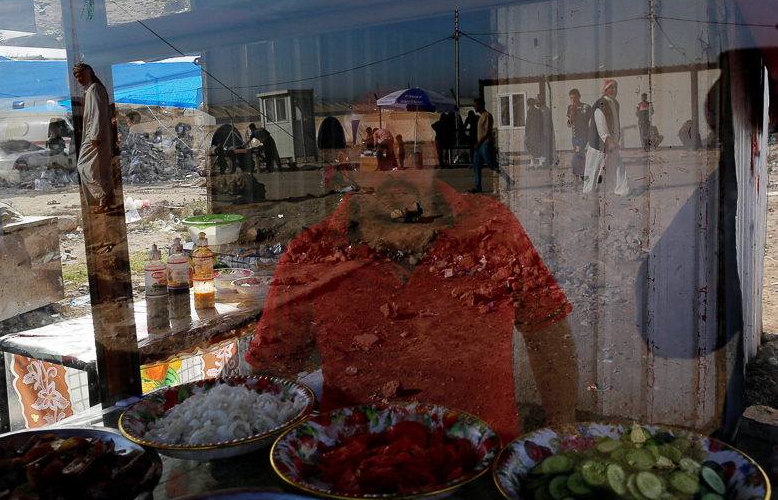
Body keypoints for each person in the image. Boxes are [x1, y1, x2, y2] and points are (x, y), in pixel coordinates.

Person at [246, 166, 577, 444]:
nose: (396, 170)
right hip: (352, 473)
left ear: (434, 156)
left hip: (485, 471)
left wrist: (562, 437)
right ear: (349, 163)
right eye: (377, 153)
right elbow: (271, 374)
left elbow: (547, 328)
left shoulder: (492, 226)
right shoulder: (312, 250)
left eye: (413, 150)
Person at [72, 62, 115, 214]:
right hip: (93, 135)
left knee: (86, 167)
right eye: (76, 76)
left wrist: (95, 135)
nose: (79, 79)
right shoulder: (91, 89)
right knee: (98, 169)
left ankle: (105, 195)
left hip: (95, 136)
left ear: (89, 73)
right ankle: (105, 201)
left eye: (81, 75)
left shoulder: (95, 88)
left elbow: (98, 113)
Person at [583, 80, 630, 197]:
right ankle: (588, 191)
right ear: (606, 89)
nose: (614, 90)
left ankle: (623, 190)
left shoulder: (615, 103)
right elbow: (601, 124)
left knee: (617, 167)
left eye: (616, 88)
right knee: (592, 169)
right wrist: (608, 140)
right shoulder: (600, 104)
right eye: (612, 88)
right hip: (598, 144)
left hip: (611, 144)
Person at [471, 98, 512, 192]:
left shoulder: (487, 116)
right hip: (479, 145)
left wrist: (479, 143)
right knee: (476, 165)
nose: (474, 107)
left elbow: (487, 132)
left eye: (475, 105)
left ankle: (509, 180)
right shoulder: (480, 116)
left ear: (480, 106)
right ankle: (477, 186)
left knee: (492, 165)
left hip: (485, 144)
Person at [566, 89, 590, 191]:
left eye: (575, 97)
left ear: (579, 96)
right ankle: (584, 180)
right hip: (575, 136)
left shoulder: (586, 107)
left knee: (576, 157)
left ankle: (577, 181)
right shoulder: (570, 107)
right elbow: (568, 124)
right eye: (571, 98)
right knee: (580, 157)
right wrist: (571, 114)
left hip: (584, 135)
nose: (573, 100)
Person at [524, 97, 544, 166]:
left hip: (531, 133)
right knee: (537, 147)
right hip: (538, 132)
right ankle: (538, 163)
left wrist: (526, 133)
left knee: (530, 147)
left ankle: (535, 161)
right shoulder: (539, 111)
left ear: (527, 104)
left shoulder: (530, 111)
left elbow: (528, 123)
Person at [537, 94, 556, 167]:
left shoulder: (544, 110)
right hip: (542, 132)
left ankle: (545, 162)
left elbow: (545, 122)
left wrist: (545, 133)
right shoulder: (542, 109)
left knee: (545, 147)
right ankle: (543, 162)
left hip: (545, 132)